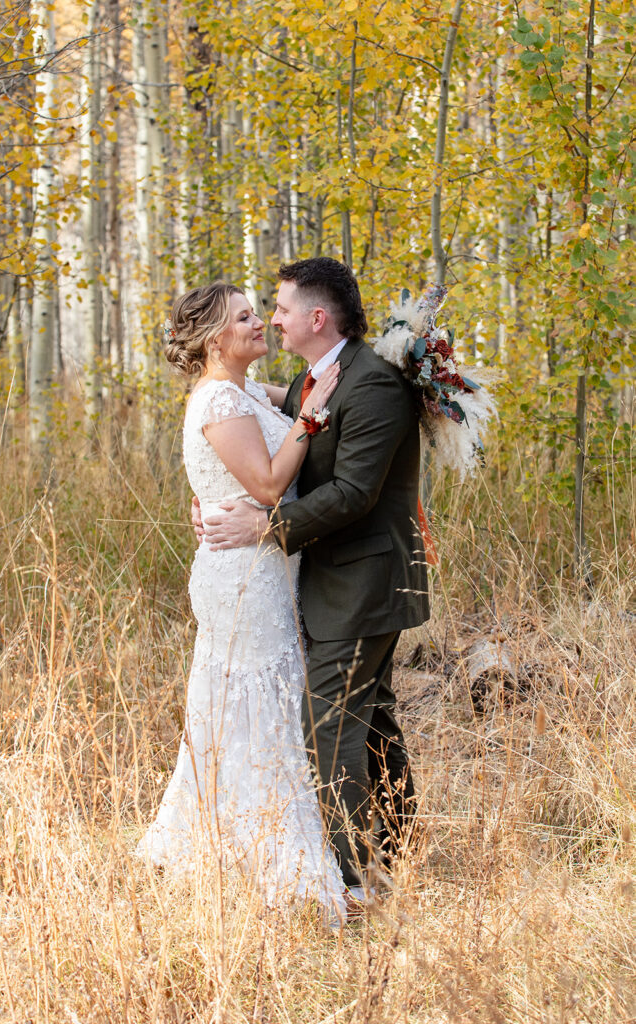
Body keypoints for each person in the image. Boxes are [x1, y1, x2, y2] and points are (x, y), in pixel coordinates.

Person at [199, 258, 430, 905]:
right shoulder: (318, 375)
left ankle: (355, 879)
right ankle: (400, 854)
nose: (273, 319)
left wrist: (264, 526)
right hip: (335, 582)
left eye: (279, 309)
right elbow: (289, 416)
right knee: (372, 719)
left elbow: (355, 493)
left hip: (365, 582)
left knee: (326, 724)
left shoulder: (375, 383)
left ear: (316, 318)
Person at [135, 281, 347, 922]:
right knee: (258, 708)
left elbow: (304, 392)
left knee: (248, 707)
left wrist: (329, 381)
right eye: (245, 317)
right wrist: (312, 419)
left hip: (264, 568)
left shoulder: (249, 390)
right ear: (213, 339)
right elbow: (268, 481)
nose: (260, 323)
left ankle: (234, 846)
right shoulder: (220, 398)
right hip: (244, 579)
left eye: (260, 312)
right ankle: (272, 863)